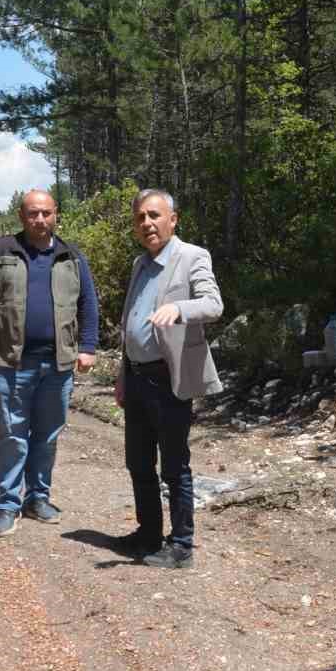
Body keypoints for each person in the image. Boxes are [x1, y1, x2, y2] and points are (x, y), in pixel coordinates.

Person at [0, 189, 99, 538]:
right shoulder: (1, 252)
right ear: (21, 216)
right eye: (32, 214)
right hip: (13, 362)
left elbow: (88, 302)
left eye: (46, 213)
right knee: (13, 436)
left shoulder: (71, 256)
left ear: (56, 214)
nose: (40, 219)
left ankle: (38, 498)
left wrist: (87, 346)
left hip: (58, 365)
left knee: (47, 436)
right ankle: (7, 505)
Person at [115, 188, 223, 569]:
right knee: (138, 462)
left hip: (169, 376)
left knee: (174, 465)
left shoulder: (192, 256)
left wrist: (178, 308)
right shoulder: (138, 264)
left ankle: (181, 546)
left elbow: (213, 304)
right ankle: (148, 535)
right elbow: (129, 322)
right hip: (137, 375)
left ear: (173, 219)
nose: (147, 223)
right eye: (141, 217)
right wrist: (122, 375)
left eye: (154, 215)